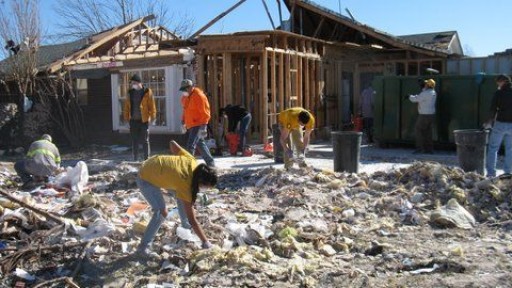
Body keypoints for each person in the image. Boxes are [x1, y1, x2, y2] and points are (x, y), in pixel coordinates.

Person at [136, 140, 217, 254]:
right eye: (205, 187)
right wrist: (205, 242)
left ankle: (185, 230)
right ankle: (143, 247)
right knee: (161, 212)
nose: (204, 189)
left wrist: (171, 166)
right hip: (145, 177)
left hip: (152, 164)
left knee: (181, 197)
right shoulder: (185, 183)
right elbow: (192, 220)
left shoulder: (192, 162)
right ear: (200, 181)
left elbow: (172, 143)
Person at [180, 79, 216, 167]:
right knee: (200, 144)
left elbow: (205, 112)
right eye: (183, 90)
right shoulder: (185, 97)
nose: (183, 91)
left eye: (185, 89)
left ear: (190, 87)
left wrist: (204, 126)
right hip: (190, 124)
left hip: (198, 124)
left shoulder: (199, 96)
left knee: (190, 145)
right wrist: (183, 121)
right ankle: (211, 163)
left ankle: (188, 166)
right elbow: (185, 110)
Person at [123, 74, 156, 161]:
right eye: (132, 83)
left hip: (144, 120)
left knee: (145, 141)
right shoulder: (130, 92)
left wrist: (153, 118)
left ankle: (147, 159)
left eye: (133, 83)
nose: (132, 84)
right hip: (133, 120)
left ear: (139, 83)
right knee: (135, 141)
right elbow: (126, 107)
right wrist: (126, 120)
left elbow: (152, 106)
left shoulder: (147, 92)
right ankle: (135, 159)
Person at [484, 74, 512, 178]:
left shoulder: (498, 93)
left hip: (500, 123)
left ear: (503, 82)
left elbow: (493, 109)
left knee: (493, 148)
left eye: (498, 82)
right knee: (510, 149)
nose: (497, 84)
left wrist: (488, 122)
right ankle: (508, 172)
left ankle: (491, 173)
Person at [409, 78, 436, 154]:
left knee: (418, 130)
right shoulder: (433, 92)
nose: (425, 84)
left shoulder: (425, 93)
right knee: (428, 132)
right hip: (431, 114)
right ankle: (429, 149)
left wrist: (409, 96)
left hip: (424, 115)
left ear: (428, 85)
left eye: (426, 84)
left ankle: (419, 148)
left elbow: (416, 99)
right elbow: (423, 96)